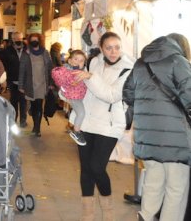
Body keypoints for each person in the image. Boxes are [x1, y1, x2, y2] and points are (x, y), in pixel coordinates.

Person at [123, 34, 191, 221]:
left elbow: (128, 94)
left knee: (153, 183)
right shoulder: (178, 61)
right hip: (176, 139)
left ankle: (145, 216)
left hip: (146, 137)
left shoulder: (140, 64)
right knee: (176, 189)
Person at [76, 31, 133, 221]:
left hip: (110, 125)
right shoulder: (94, 62)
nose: (113, 51)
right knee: (86, 169)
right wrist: (69, 89)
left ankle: (108, 212)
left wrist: (89, 77)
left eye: (117, 47)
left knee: (97, 167)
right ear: (101, 48)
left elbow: (111, 95)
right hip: (87, 123)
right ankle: (87, 214)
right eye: (108, 48)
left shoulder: (128, 68)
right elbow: (87, 93)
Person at [51, 49, 89, 146]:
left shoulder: (82, 71)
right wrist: (70, 82)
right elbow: (59, 77)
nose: (78, 62)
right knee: (81, 113)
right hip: (74, 97)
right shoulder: (66, 71)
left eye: (81, 61)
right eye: (76, 59)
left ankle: (75, 127)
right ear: (70, 61)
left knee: (79, 113)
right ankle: (76, 132)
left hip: (80, 96)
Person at [18, 33, 53, 137]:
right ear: (29, 41)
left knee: (39, 106)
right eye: (32, 40)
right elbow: (22, 70)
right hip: (31, 84)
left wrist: (51, 83)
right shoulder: (26, 54)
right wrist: (20, 85)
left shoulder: (45, 53)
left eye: (36, 40)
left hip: (42, 84)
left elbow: (50, 68)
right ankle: (35, 126)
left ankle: (37, 128)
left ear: (39, 41)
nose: (34, 42)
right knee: (34, 107)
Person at [0, 32, 28, 127]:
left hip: (25, 80)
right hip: (13, 80)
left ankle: (23, 120)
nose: (18, 40)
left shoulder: (27, 49)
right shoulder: (7, 50)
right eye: (15, 38)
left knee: (24, 101)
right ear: (12, 39)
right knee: (14, 101)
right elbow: (4, 64)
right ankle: (14, 119)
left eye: (19, 38)